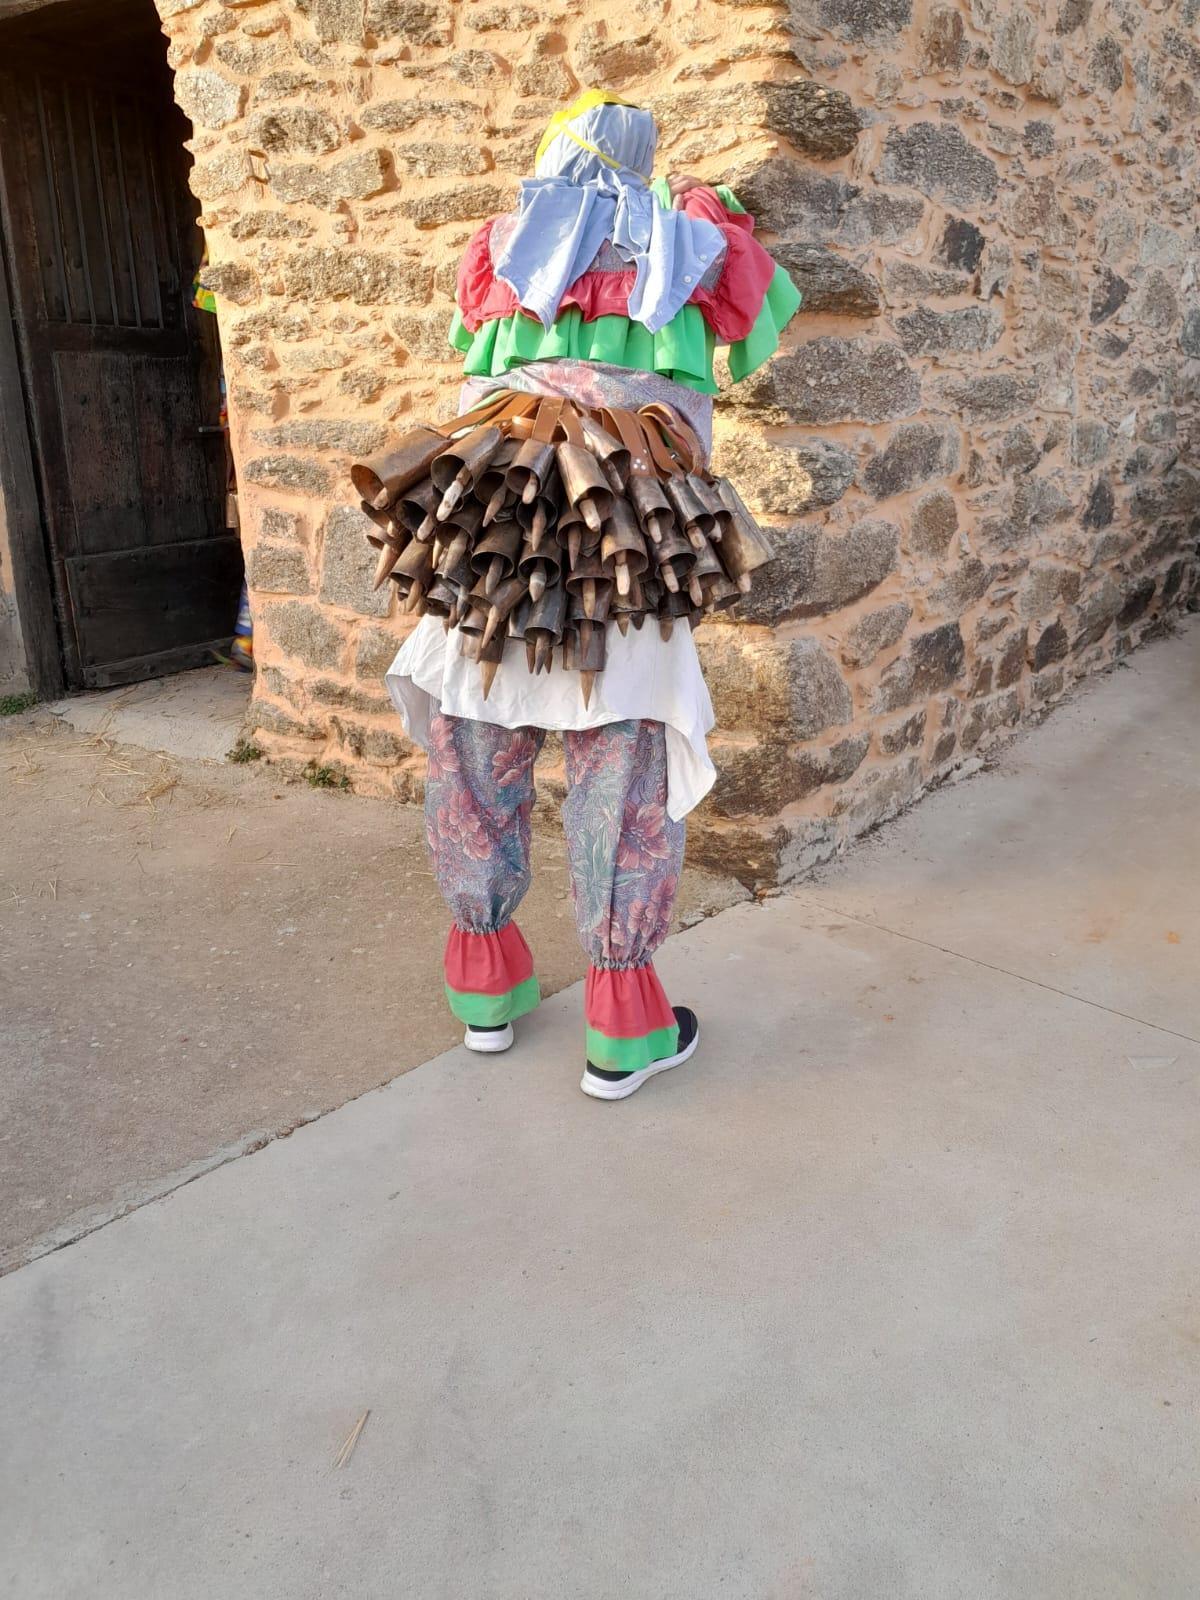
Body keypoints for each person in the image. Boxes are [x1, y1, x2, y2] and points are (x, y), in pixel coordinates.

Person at [375, 90, 801, 1099]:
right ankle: (622, 1020)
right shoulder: (697, 242)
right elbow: (756, 340)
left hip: (498, 525)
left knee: (474, 737)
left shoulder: (502, 244)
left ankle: (483, 980)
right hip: (622, 537)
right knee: (621, 754)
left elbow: (470, 357)